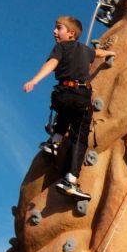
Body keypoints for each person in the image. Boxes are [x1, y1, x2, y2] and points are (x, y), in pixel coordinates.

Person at [24, 16, 95, 202]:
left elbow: (53, 63)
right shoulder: (84, 51)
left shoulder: (63, 48)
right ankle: (70, 180)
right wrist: (111, 52)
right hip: (79, 94)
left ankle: (54, 142)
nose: (54, 32)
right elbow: (98, 53)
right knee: (79, 136)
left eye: (59, 28)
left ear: (71, 33)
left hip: (62, 93)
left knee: (64, 112)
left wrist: (35, 80)